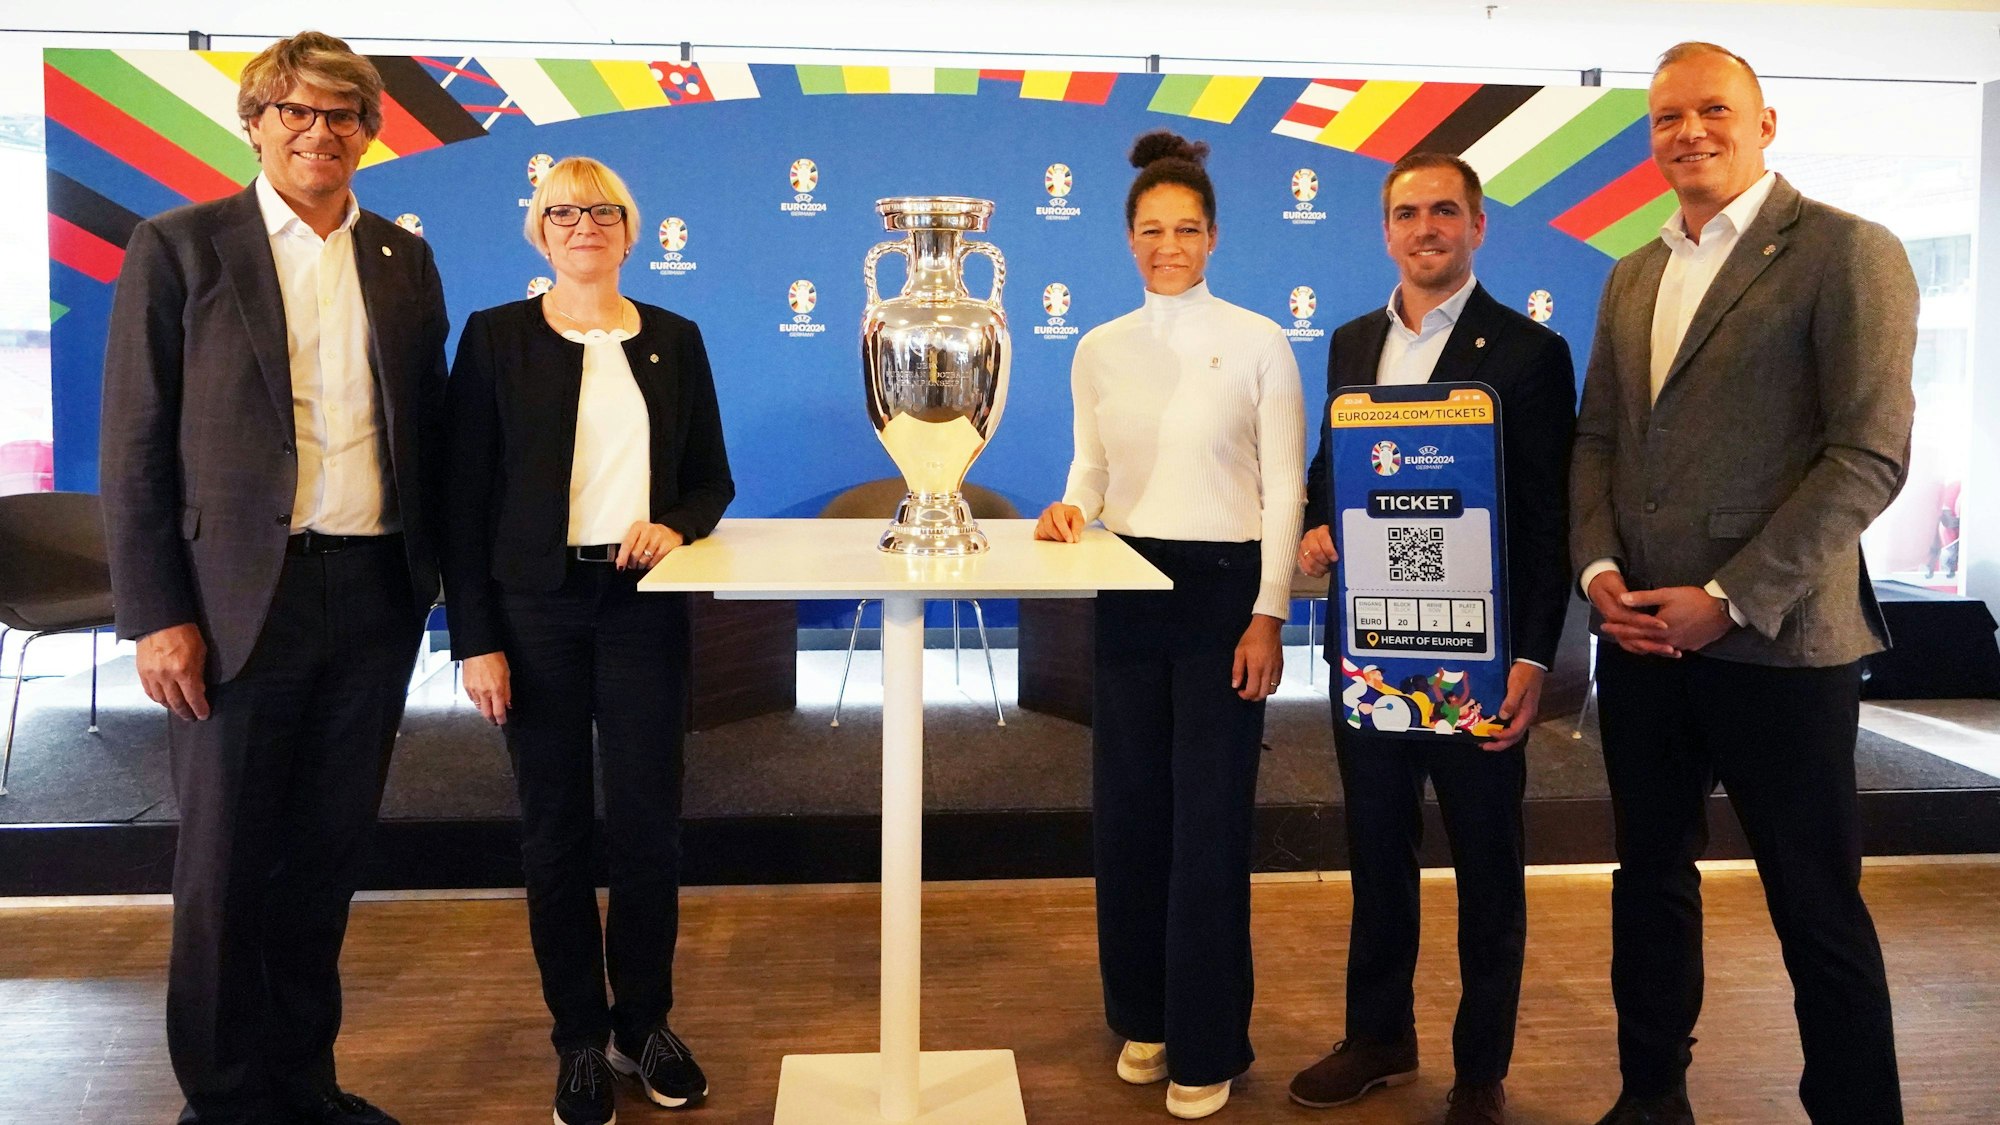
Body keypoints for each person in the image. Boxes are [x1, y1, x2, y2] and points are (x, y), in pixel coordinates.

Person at [98, 31, 445, 1125]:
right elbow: (135, 445)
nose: (318, 132)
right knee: (223, 872)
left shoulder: (400, 260)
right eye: (294, 112)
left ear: (366, 134)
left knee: (323, 861)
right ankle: (223, 1100)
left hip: (374, 597)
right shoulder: (182, 245)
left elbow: (425, 433)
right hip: (236, 606)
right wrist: (158, 613)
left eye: (341, 115)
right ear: (254, 123)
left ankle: (302, 1085)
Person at [1570, 42, 1914, 1125]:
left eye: (1711, 110)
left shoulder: (1845, 252)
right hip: (1637, 644)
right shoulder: (1633, 273)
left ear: (1765, 124)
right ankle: (1649, 1095)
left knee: (1814, 904)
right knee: (1648, 883)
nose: (1687, 133)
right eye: (1665, 117)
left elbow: (1866, 456)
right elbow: (1595, 441)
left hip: (1778, 642)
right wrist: (1598, 573)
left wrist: (1724, 597)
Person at [442, 156, 734, 1125]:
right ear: (538, 228)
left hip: (640, 605)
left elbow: (710, 480)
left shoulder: (676, 340)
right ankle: (576, 1039)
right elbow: (461, 505)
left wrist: (678, 525)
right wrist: (474, 641)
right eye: (561, 211)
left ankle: (640, 1023)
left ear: (628, 227)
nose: (582, 225)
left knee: (649, 829)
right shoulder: (494, 341)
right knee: (555, 834)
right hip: (533, 613)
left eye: (600, 210)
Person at [1289, 153, 1575, 1125]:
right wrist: (1316, 521)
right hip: (1369, 662)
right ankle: (1377, 1036)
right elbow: (1334, 467)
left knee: (1487, 865)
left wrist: (1534, 660)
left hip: (1478, 666)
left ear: (1477, 225)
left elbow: (1545, 521)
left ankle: (1479, 1070)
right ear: (1384, 230)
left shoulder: (1530, 354)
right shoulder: (1349, 342)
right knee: (1376, 854)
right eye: (1405, 213)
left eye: (1442, 211)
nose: (1424, 228)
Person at [1035, 129, 1305, 1120]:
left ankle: (1207, 1042)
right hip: (1127, 583)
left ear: (1213, 236)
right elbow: (1092, 471)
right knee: (1132, 815)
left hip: (1224, 595)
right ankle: (1141, 1018)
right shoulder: (1097, 346)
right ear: (1126, 237)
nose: (1167, 246)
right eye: (1150, 230)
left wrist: (1267, 614)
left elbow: (1282, 490)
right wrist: (1069, 508)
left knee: (1208, 827)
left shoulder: (1259, 340)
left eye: (1184, 229)